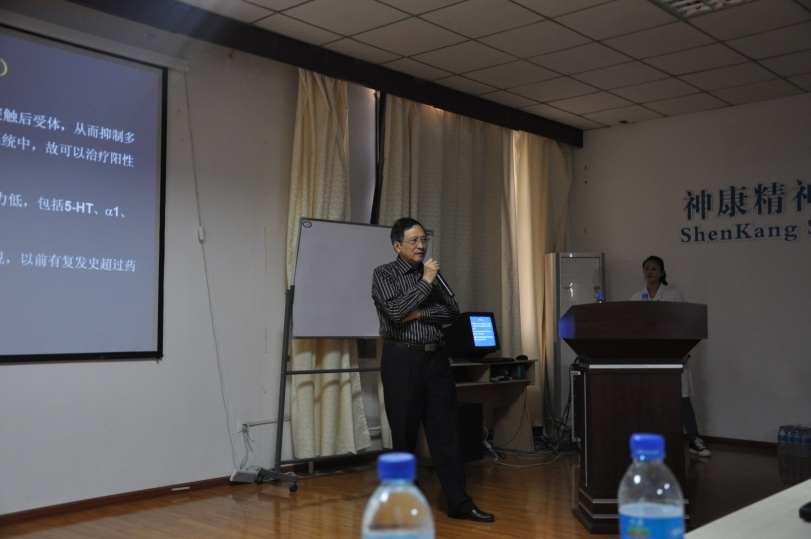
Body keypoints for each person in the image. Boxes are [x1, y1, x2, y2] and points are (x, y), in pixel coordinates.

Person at [371, 217, 495, 523]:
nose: (421, 246)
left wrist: (419, 312)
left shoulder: (432, 273)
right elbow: (396, 311)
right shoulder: (384, 274)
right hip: (402, 360)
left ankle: (460, 504)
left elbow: (452, 311)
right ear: (397, 245)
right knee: (404, 436)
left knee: (447, 433)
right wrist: (425, 282)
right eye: (414, 240)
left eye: (424, 239)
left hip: (436, 360)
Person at [631, 255, 711, 458]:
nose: (650, 272)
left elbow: (685, 325)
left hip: (674, 354)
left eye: (654, 268)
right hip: (648, 357)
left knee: (682, 399)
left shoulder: (674, 294)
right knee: (651, 401)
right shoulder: (635, 298)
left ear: (662, 273)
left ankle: (694, 439)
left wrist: (685, 352)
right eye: (646, 268)